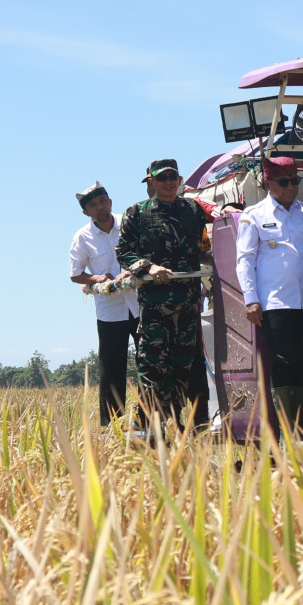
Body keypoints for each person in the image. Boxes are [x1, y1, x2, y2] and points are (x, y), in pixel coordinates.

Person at [236, 157, 303, 435]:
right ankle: (289, 431)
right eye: (284, 182)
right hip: (275, 302)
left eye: (295, 181)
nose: (291, 187)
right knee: (284, 363)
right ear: (268, 183)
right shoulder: (254, 215)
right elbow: (244, 260)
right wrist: (251, 299)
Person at [116, 159, 210, 433]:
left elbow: (202, 247)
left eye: (173, 177)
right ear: (151, 182)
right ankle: (147, 424)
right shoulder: (138, 212)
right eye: (162, 178)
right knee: (153, 365)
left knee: (183, 365)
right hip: (155, 305)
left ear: (179, 180)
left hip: (188, 302)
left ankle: (175, 420)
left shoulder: (193, 210)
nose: (169, 182)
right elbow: (123, 252)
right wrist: (149, 266)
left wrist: (216, 258)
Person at [69, 182, 140, 426]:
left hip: (141, 305)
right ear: (86, 212)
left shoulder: (130, 222)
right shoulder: (83, 237)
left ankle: (150, 420)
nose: (100, 207)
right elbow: (75, 274)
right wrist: (97, 277)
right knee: (111, 369)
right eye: (93, 205)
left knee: (149, 365)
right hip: (109, 311)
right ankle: (112, 425)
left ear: (110, 201)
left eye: (103, 201)